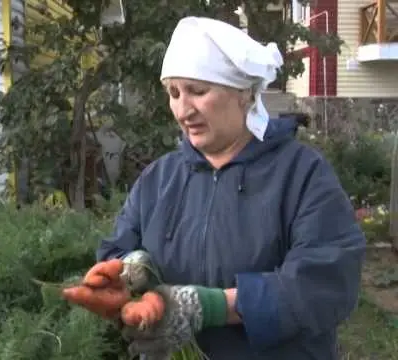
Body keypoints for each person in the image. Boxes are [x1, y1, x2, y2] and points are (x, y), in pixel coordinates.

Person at [75, 16, 366, 359]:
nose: (183, 110)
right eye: (174, 93)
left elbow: (324, 282)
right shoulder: (158, 179)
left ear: (244, 94)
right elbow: (118, 247)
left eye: (198, 91)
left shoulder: (302, 175)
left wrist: (208, 307)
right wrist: (130, 271)